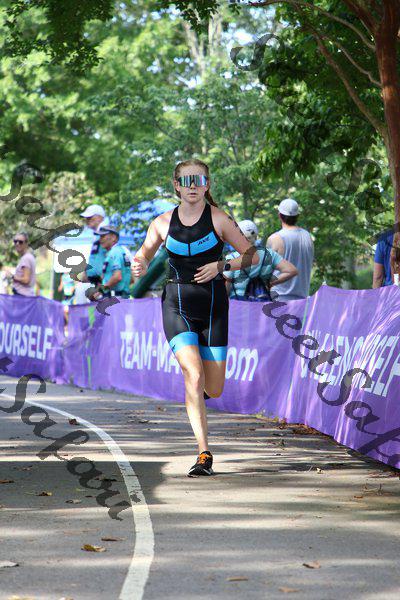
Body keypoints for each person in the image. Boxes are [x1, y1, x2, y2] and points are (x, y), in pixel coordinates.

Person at [131, 159, 260, 477]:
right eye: (186, 180)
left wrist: (220, 266)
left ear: (207, 184)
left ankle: (198, 394)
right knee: (193, 374)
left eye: (198, 180)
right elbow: (144, 253)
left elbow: (252, 255)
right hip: (176, 305)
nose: (192, 186)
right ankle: (204, 454)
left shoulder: (219, 218)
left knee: (214, 388)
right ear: (176, 185)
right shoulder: (162, 222)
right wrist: (139, 262)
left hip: (214, 307)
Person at [224, 219, 298, 300]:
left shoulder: (232, 258)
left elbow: (226, 287)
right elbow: (292, 271)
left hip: (238, 303)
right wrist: (271, 282)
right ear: (256, 236)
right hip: (262, 302)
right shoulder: (269, 254)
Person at [267, 198, 314, 301]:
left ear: (280, 215)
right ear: (297, 216)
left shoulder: (275, 238)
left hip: (278, 299)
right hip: (302, 301)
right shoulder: (307, 237)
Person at [97, 226, 132, 299]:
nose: (100, 239)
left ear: (113, 237)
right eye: (100, 236)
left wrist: (100, 291)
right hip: (122, 296)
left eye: (103, 236)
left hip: (116, 297)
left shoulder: (115, 252)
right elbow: (131, 278)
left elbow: (117, 277)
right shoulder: (119, 251)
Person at [80, 204, 108, 286]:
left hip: (102, 282)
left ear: (99, 217)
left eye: (90, 217)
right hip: (93, 281)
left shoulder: (105, 233)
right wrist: (85, 273)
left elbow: (110, 256)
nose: (87, 220)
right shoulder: (96, 235)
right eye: (86, 218)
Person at [7, 232, 36, 296]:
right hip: (25, 296)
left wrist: (13, 277)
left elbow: (26, 280)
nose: (17, 244)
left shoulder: (26, 258)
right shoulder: (28, 257)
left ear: (26, 244)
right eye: (15, 241)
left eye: (20, 242)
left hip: (22, 296)